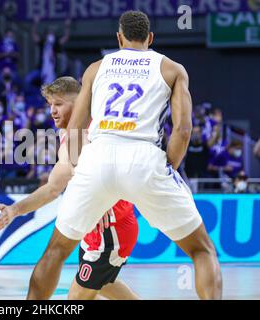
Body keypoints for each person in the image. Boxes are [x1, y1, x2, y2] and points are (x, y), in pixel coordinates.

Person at [26, 11, 222, 300]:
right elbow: (182, 129)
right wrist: (168, 167)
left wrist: (82, 168)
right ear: (150, 38)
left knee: (56, 251)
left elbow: (78, 126)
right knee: (201, 250)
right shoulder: (172, 69)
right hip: (144, 158)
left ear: (119, 38)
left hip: (98, 155)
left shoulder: (96, 68)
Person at [0, 77, 139, 300]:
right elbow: (53, 187)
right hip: (93, 227)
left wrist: (105, 198)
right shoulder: (70, 134)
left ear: (80, 102)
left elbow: (55, 187)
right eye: (50, 104)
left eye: (59, 104)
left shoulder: (91, 134)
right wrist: (15, 210)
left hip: (111, 229)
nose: (52, 110)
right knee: (104, 283)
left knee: (76, 296)